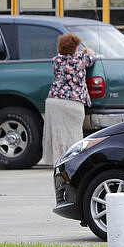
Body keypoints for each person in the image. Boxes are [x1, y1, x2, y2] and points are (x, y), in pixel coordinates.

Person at [41, 33, 96, 166]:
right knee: (74, 133)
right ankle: (72, 161)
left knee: (57, 134)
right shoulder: (81, 58)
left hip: (54, 101)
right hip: (74, 102)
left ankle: (56, 161)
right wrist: (86, 50)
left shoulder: (56, 60)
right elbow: (92, 55)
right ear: (75, 46)